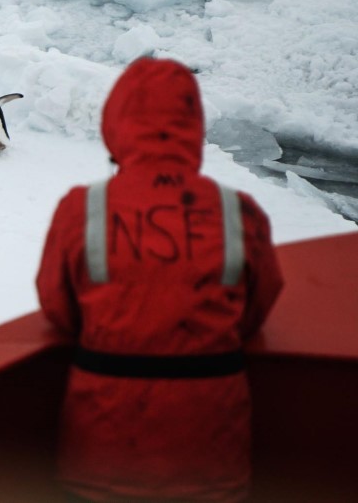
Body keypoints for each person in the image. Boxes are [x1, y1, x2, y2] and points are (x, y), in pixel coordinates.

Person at [34, 57, 285, 502]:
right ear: (193, 125)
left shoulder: (82, 209)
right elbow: (257, 307)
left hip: (102, 452)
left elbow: (58, 307)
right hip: (211, 455)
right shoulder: (237, 212)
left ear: (116, 122)